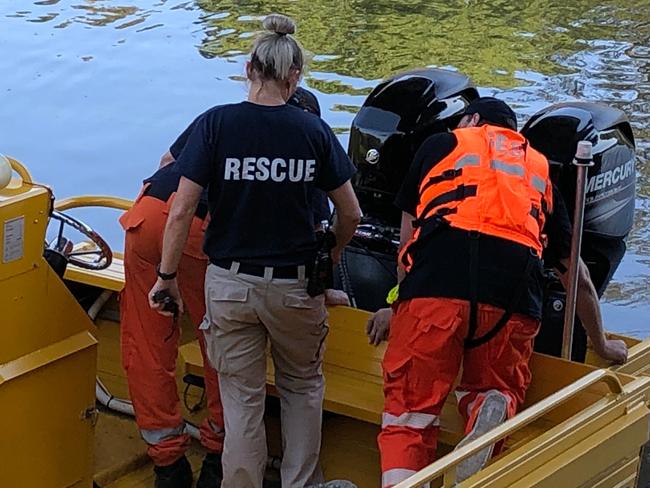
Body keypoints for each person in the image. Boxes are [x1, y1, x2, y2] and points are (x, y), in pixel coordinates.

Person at [366, 97, 628, 487]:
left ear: (471, 121)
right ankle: (491, 405)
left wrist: (397, 307)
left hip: (436, 288)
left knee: (409, 414)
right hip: (515, 297)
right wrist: (602, 344)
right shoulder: (537, 168)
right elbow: (576, 274)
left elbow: (409, 246)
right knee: (497, 384)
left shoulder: (442, 145)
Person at [148, 13, 361, 488]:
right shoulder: (314, 132)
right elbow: (351, 214)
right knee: (302, 389)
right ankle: (300, 483)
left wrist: (165, 278)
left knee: (241, 397)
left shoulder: (216, 124)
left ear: (248, 68)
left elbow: (181, 210)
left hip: (229, 284)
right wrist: (331, 253)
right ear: (295, 76)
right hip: (296, 287)